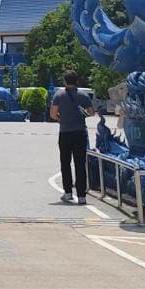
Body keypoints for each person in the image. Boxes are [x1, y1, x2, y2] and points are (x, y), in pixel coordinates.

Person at [48, 71, 95, 202]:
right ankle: (81, 196)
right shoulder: (83, 95)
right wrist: (81, 114)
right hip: (80, 132)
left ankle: (68, 192)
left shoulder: (59, 95)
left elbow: (52, 114)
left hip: (65, 132)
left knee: (65, 163)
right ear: (77, 81)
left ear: (65, 81)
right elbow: (91, 113)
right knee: (80, 163)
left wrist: (61, 119)